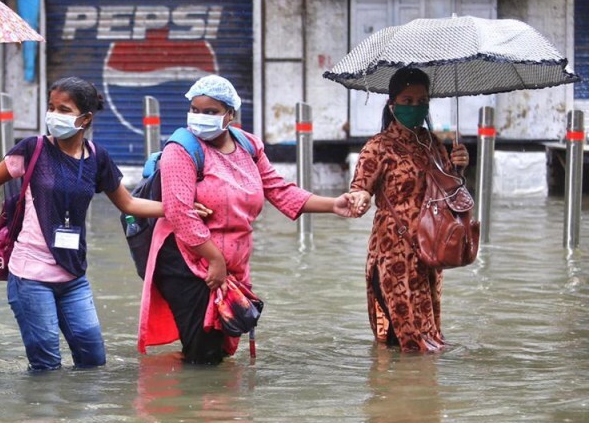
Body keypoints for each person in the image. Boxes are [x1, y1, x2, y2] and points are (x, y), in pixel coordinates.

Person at [0, 76, 193, 371]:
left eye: (64, 109)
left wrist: (179, 209)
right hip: (30, 276)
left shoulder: (97, 157)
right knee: (46, 366)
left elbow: (128, 204)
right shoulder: (33, 149)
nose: (54, 115)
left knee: (93, 361)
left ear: (85, 118)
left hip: (73, 276)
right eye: (51, 107)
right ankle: (42, 417)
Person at [138, 75, 358, 365]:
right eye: (195, 110)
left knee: (220, 348)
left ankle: (185, 390)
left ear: (230, 114)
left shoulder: (249, 146)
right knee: (204, 353)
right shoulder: (180, 150)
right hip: (188, 259)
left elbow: (279, 190)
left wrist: (333, 204)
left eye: (211, 112)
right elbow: (180, 213)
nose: (200, 118)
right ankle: (175, 397)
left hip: (233, 262)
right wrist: (215, 260)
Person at [347, 67, 470, 352]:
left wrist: (458, 169)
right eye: (407, 101)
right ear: (392, 104)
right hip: (393, 255)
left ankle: (418, 393)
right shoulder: (377, 147)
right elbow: (360, 186)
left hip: (430, 251)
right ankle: (395, 392)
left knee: (430, 336)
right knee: (408, 339)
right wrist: (360, 198)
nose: (415, 107)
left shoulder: (433, 144)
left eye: (421, 101)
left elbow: (449, 195)